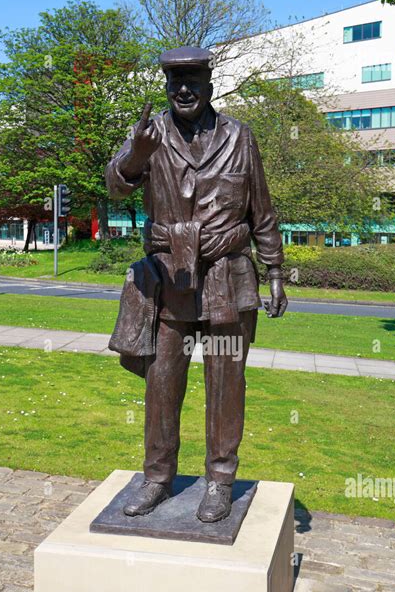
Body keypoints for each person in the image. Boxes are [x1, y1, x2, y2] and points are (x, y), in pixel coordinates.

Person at [105, 46, 287, 523]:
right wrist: (135, 156)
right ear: (167, 88)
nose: (183, 91)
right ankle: (157, 477)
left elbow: (262, 212)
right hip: (170, 281)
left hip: (229, 279)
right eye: (174, 84)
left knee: (226, 385)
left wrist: (274, 273)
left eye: (192, 83)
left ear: (209, 86)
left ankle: (219, 479)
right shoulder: (150, 134)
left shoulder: (239, 136)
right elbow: (116, 185)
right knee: (163, 384)